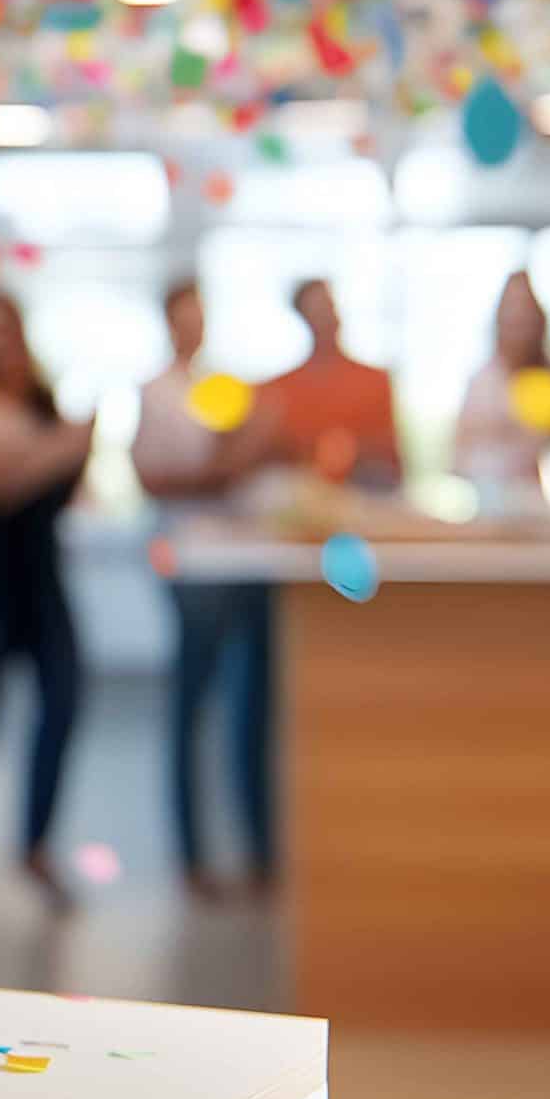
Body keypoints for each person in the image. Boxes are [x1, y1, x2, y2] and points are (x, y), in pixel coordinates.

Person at [134, 279, 277, 898]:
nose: (194, 326)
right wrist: (222, 469)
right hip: (191, 564)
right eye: (184, 316)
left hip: (242, 557)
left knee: (251, 712)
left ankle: (260, 852)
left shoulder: (223, 389)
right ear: (168, 322)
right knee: (191, 711)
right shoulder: (154, 394)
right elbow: (152, 478)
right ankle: (193, 858)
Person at [0, 291, 90, 909]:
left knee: (64, 703)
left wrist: (67, 455)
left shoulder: (38, 400)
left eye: (7, 330)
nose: (0, 345)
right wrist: (54, 452)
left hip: (44, 572)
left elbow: (55, 488)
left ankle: (35, 845)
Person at [253, 279, 400, 486]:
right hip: (299, 495)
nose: (326, 317)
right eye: (316, 310)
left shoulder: (374, 380)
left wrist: (353, 450)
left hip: (365, 493)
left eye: (329, 306)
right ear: (304, 317)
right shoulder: (277, 390)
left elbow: (393, 459)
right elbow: (263, 456)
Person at [453, 270, 550, 484]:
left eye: (525, 311)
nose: (519, 319)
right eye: (512, 310)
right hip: (489, 501)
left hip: (542, 502)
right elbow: (457, 458)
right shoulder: (481, 383)